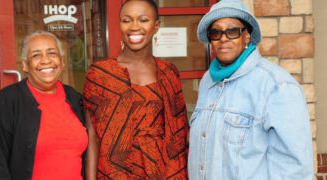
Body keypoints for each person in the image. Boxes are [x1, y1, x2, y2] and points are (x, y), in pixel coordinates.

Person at [188, 0, 314, 179]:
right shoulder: (207, 81)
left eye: (232, 31)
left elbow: (294, 169)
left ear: (246, 36)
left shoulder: (276, 85)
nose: (223, 38)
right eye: (216, 32)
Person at [83, 0, 189, 179]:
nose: (134, 27)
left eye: (143, 20)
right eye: (126, 20)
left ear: (156, 26)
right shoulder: (100, 74)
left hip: (161, 172)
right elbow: (92, 137)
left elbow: (179, 134)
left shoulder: (169, 73)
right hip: (114, 173)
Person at [0, 31, 96, 180]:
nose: (45, 60)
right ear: (25, 65)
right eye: (36, 55)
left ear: (62, 61)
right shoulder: (9, 100)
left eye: (52, 53)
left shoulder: (75, 98)